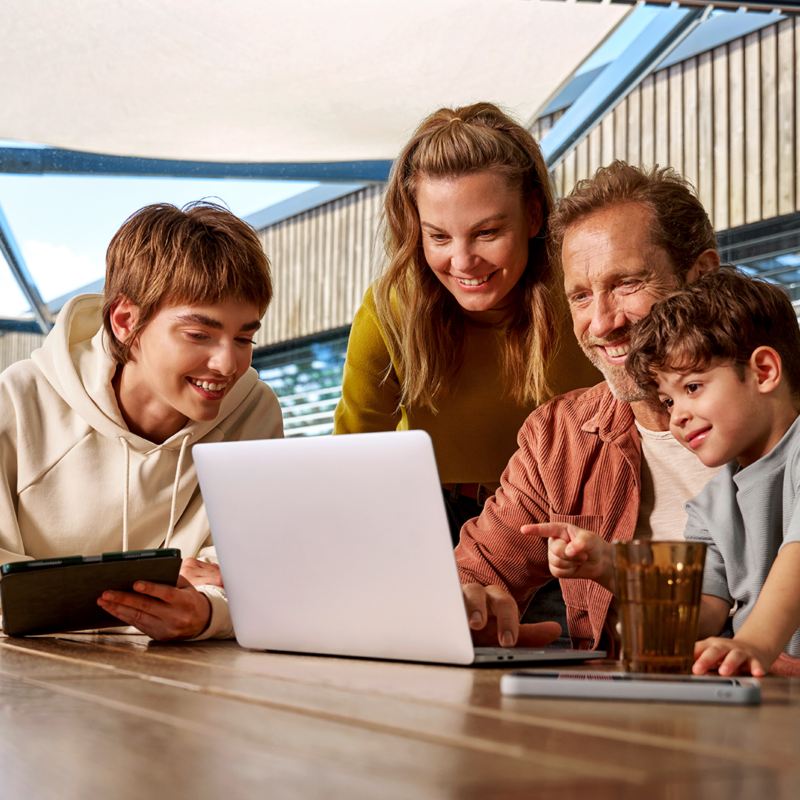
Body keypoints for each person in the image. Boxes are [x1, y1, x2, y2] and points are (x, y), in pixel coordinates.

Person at [455, 160, 720, 650]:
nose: (600, 324)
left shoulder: (779, 419)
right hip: (605, 716)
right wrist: (468, 605)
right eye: (579, 296)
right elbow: (475, 571)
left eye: (626, 284)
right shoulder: (561, 437)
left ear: (701, 275)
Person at [0, 201, 283, 640]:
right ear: (125, 322)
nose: (228, 363)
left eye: (244, 336)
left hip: (189, 681)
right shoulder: (18, 402)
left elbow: (262, 574)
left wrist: (207, 614)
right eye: (199, 335)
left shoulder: (255, 411)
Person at [333, 102, 598, 542]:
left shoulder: (581, 295)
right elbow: (351, 461)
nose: (462, 262)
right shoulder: (392, 308)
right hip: (429, 517)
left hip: (565, 515)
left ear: (533, 215)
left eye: (487, 233)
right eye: (438, 236)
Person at [622, 269, 800, 677]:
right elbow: (703, 609)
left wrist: (755, 643)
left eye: (693, 388)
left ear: (764, 371)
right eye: (667, 401)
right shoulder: (708, 505)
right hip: (764, 685)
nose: (678, 416)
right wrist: (608, 570)